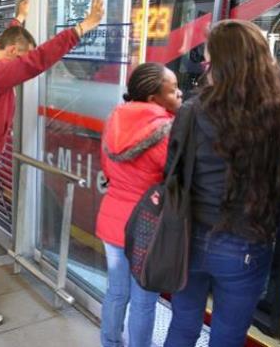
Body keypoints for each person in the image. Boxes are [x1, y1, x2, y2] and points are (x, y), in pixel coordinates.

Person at [0, 0, 105, 327]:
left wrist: (19, 19)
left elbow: (9, 43)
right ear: (13, 55)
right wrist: (82, 28)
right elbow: (37, 60)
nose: (21, 68)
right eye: (19, 59)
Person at [164, 20, 280, 347]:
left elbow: (173, 174)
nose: (204, 65)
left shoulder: (192, 111)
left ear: (222, 64)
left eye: (209, 59)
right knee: (228, 335)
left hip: (189, 238)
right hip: (248, 242)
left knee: (184, 323)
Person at [96, 63, 182, 347]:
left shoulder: (114, 120)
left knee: (117, 293)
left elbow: (108, 170)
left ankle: (110, 343)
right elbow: (175, 181)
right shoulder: (166, 131)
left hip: (111, 221)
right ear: (152, 99)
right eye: (173, 89)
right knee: (144, 301)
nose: (180, 94)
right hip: (147, 228)